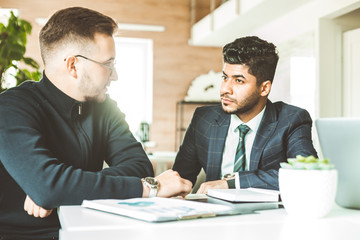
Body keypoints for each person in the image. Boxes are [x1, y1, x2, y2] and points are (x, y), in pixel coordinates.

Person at [0, 7, 192, 240]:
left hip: (92, 227)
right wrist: (149, 187)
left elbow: (139, 165)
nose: (115, 75)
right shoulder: (11, 107)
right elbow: (48, 187)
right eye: (108, 64)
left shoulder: (105, 107)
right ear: (73, 66)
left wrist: (61, 189)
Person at [172, 36, 317, 194]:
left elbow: (305, 173)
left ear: (264, 88)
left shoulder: (291, 119)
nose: (225, 89)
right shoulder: (203, 119)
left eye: (238, 81)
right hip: (214, 213)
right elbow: (180, 179)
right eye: (225, 78)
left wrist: (232, 183)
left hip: (268, 216)